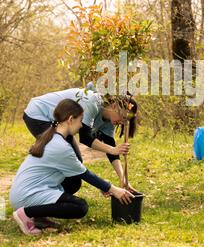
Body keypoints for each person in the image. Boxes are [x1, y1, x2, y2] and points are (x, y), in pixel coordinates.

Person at [10, 99, 134, 235]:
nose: (81, 125)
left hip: (25, 191)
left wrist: (103, 186)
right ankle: (26, 213)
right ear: (70, 119)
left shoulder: (52, 137)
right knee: (80, 207)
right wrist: (114, 190)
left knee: (73, 182)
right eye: (80, 120)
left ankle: (39, 216)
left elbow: (78, 172)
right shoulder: (61, 146)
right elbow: (85, 174)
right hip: (27, 196)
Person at [23, 87, 137, 191]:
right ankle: (38, 191)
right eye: (123, 117)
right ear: (114, 106)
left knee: (75, 165)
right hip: (39, 114)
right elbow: (85, 138)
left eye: (125, 121)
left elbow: (112, 149)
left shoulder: (109, 120)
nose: (122, 122)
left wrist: (123, 179)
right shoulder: (93, 102)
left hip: (58, 123)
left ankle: (54, 196)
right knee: (66, 159)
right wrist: (113, 150)